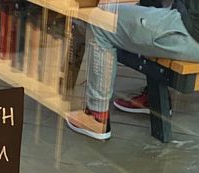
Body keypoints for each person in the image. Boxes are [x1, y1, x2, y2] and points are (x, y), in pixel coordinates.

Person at [66, 1, 199, 140]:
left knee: (100, 19)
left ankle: (96, 116)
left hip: (190, 32)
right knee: (142, 10)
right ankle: (152, 97)